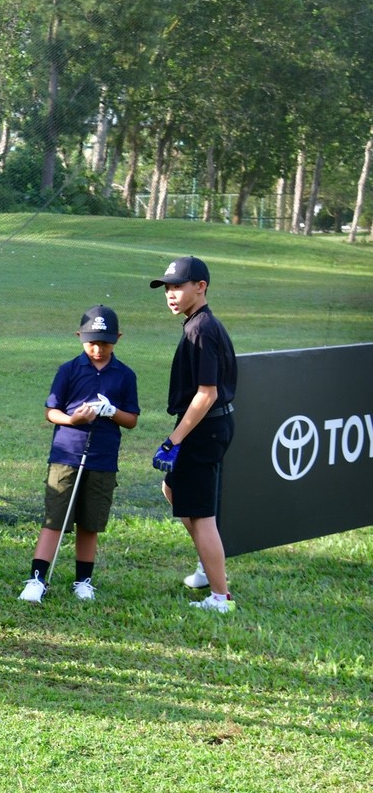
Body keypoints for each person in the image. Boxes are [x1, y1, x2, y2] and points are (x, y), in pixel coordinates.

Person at [18, 305, 139, 603]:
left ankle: (83, 581)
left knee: (90, 522)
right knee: (54, 519)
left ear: (118, 338)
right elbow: (51, 412)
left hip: (102, 457)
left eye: (105, 343)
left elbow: (132, 419)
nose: (98, 349)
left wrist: (111, 411)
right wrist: (73, 419)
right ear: (79, 337)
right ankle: (37, 580)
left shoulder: (125, 375)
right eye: (92, 342)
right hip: (67, 455)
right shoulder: (69, 370)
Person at [150, 256, 237, 613]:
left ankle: (221, 597)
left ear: (200, 287)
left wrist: (175, 438)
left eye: (178, 287)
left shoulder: (200, 329)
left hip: (204, 428)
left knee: (202, 514)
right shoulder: (197, 324)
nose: (171, 294)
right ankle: (207, 563)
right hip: (208, 427)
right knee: (173, 488)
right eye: (167, 288)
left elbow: (207, 393)